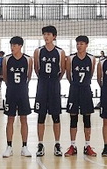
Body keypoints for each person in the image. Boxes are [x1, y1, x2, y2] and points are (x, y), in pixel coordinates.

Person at [33, 25, 66, 157]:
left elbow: (62, 70)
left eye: (48, 34)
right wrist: (43, 79)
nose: (46, 36)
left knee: (55, 116)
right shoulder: (38, 51)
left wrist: (54, 80)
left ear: (54, 36)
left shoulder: (60, 52)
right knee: (41, 116)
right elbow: (36, 68)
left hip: (54, 85)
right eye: (44, 34)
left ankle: (57, 144)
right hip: (42, 85)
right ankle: (40, 144)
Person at [64, 35, 97, 157]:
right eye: (77, 43)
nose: (79, 46)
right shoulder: (71, 58)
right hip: (74, 89)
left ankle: (87, 145)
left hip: (86, 90)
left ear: (86, 45)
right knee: (73, 118)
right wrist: (75, 84)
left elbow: (91, 73)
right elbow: (68, 75)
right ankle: (72, 146)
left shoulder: (92, 59)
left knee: (87, 118)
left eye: (81, 44)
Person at [2, 36, 33, 158]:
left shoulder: (28, 59)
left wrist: (22, 87)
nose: (12, 47)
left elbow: (29, 76)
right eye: (11, 45)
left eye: (14, 45)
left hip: (23, 92)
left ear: (20, 46)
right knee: (10, 119)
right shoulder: (6, 59)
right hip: (11, 92)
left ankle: (24, 147)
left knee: (23, 119)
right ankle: (9, 147)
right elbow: (5, 76)